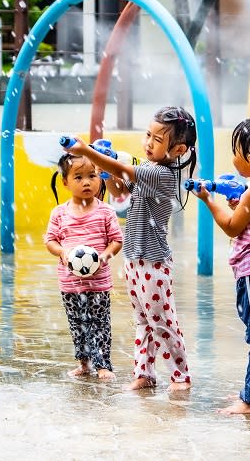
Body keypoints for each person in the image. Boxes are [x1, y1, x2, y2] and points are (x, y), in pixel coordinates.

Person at [65, 106, 198, 392]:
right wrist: (105, 172)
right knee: (143, 321)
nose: (148, 142)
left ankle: (180, 376)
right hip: (135, 258)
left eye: (157, 139)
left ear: (177, 150)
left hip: (153, 261)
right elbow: (119, 192)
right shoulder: (150, 168)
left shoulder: (163, 175)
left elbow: (124, 170)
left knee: (163, 322)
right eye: (147, 135)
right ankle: (144, 373)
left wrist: (86, 151)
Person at [191, 116, 250, 415]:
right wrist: (239, 203)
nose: (233, 159)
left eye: (236, 152)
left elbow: (233, 228)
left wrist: (208, 200)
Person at [44, 153, 123, 380]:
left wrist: (104, 257)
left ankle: (103, 365)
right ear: (65, 182)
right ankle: (84, 362)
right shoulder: (59, 213)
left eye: (92, 175)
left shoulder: (106, 211)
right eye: (78, 177)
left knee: (100, 323)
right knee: (77, 324)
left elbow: (116, 240)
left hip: (98, 283)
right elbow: (50, 241)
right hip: (69, 283)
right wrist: (63, 252)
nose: (87, 182)